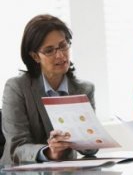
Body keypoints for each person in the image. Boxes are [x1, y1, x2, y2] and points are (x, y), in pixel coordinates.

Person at [1, 14, 97, 164]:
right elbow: (17, 147)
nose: (60, 55)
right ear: (35, 56)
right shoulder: (17, 88)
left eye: (63, 45)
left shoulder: (84, 89)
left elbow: (90, 148)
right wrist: (48, 152)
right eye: (49, 50)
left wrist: (90, 139)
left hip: (66, 171)